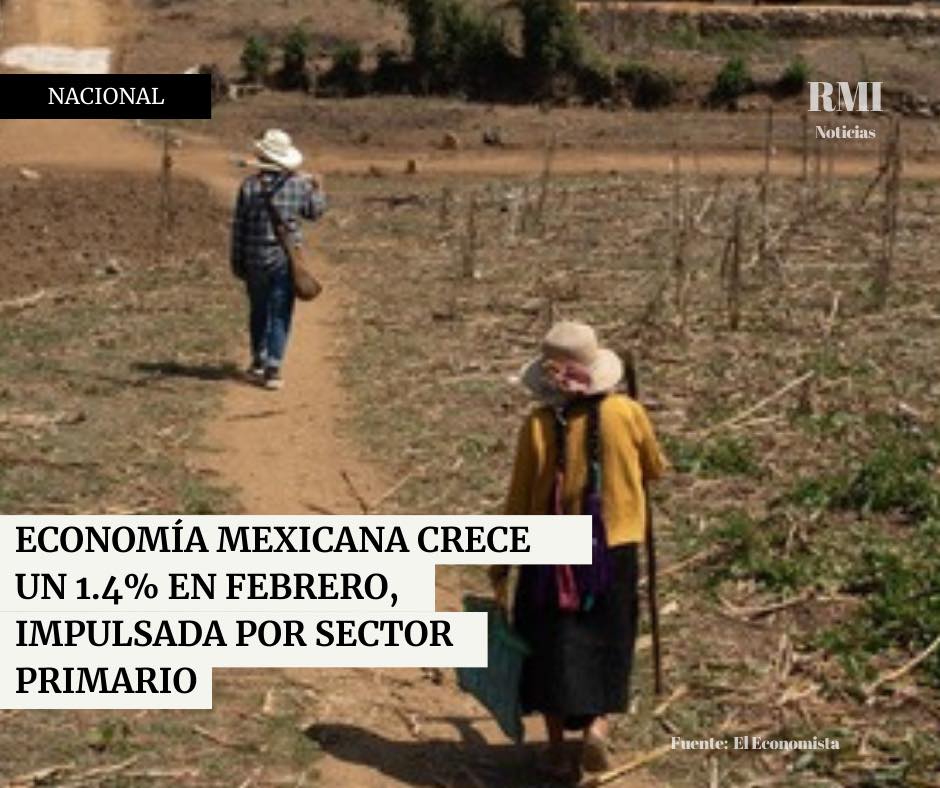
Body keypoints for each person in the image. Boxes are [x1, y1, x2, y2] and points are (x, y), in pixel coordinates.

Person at [491, 320, 667, 781]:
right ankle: (598, 727)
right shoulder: (627, 413)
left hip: (547, 550)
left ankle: (554, 749)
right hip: (614, 546)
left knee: (549, 643)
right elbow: (655, 468)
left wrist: (501, 561)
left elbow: (519, 497)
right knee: (610, 636)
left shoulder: (537, 425)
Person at [230, 129, 326, 390]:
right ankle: (273, 368)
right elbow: (315, 213)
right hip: (285, 259)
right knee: (281, 311)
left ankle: (258, 361)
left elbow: (239, 228)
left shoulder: (248, 186)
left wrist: (236, 260)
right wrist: (318, 189)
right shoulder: (298, 185)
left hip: (253, 258)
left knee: (258, 309)